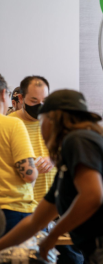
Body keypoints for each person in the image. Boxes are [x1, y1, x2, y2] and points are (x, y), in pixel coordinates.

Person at [0, 89, 103, 264]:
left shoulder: (79, 140)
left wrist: (52, 238)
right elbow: (36, 221)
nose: (40, 129)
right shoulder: (70, 157)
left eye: (41, 121)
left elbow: (92, 196)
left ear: (54, 119)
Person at [8, 76, 57, 204]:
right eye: (34, 101)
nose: (40, 106)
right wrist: (28, 168)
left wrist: (54, 158)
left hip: (55, 204)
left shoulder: (55, 122)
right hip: (23, 205)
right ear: (21, 98)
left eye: (44, 100)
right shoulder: (9, 124)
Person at [0, 74, 38, 234]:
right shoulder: (13, 124)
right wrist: (35, 167)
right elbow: (28, 174)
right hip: (12, 210)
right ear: (3, 94)